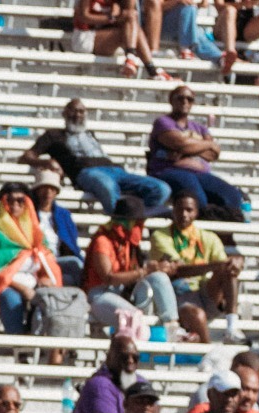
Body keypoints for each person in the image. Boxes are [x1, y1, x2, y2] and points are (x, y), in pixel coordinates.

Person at [22, 97, 170, 216]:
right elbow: (26, 156)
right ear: (64, 113)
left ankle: (137, 217)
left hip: (115, 170)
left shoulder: (89, 134)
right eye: (73, 111)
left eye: (81, 111)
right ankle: (120, 221)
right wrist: (47, 162)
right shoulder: (53, 135)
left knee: (161, 188)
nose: (77, 115)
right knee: (107, 186)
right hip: (87, 172)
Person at [0, 181, 62, 338]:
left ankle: (46, 344)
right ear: (2, 202)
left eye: (20, 201)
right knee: (10, 298)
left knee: (51, 297)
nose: (15, 205)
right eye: (10, 200)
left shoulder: (33, 230)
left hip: (32, 283)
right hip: (0, 287)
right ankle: (18, 344)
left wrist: (45, 277)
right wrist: (23, 289)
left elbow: (46, 258)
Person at [151, 188, 242, 344]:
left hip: (204, 292)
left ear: (196, 212)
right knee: (197, 314)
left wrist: (236, 262)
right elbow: (178, 271)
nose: (184, 214)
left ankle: (232, 328)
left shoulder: (208, 237)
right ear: (173, 210)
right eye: (180, 209)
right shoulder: (160, 235)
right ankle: (207, 350)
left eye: (189, 210)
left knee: (228, 270)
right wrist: (215, 265)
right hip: (176, 295)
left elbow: (223, 266)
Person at [147, 85, 247, 222]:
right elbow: (181, 145)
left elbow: (213, 154)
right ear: (171, 100)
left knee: (232, 195)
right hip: (167, 170)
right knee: (197, 198)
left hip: (199, 173)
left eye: (189, 99)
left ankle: (223, 227)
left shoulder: (199, 127)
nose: (185, 102)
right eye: (180, 98)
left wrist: (190, 147)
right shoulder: (163, 122)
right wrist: (207, 144)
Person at [84, 195, 179, 335]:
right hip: (100, 295)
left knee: (159, 277)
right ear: (127, 222)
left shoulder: (128, 242)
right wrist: (145, 271)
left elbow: (135, 273)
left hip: (125, 292)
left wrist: (156, 268)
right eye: (138, 222)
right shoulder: (102, 240)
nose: (140, 226)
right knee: (133, 318)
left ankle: (173, 327)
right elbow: (108, 278)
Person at [60, 334, 140, 413]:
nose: (130, 361)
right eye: (124, 357)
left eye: (135, 357)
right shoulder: (99, 385)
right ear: (109, 357)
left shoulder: (141, 382)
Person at [69, 0, 158, 75]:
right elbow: (83, 17)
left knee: (132, 17)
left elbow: (121, 14)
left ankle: (133, 59)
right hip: (85, 37)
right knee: (131, 25)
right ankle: (150, 69)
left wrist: (116, 17)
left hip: (104, 35)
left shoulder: (116, 3)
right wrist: (111, 19)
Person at [30, 169, 84, 287]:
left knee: (76, 265)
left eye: (52, 189)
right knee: (74, 264)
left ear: (56, 192)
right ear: (37, 190)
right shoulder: (29, 214)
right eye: (44, 188)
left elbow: (71, 242)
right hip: (38, 259)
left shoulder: (64, 215)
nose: (48, 192)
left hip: (58, 258)